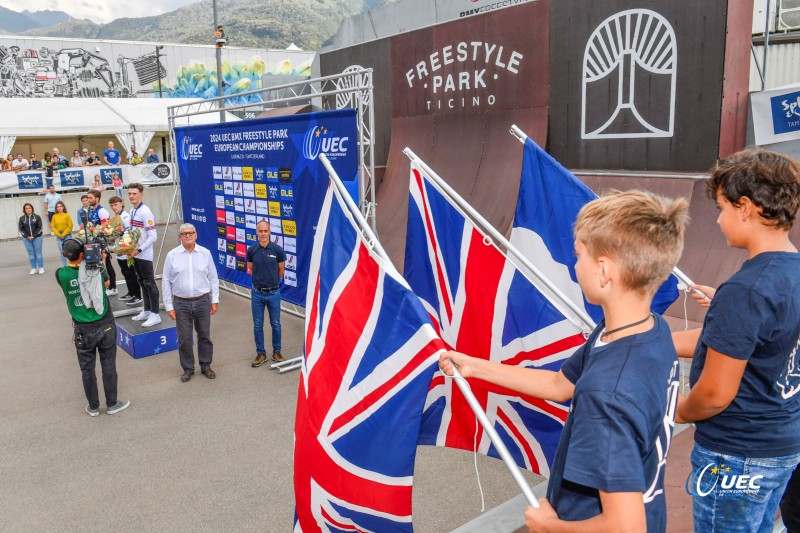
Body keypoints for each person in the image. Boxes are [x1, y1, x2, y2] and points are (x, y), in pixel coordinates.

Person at [440, 191, 689, 532]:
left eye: (579, 256)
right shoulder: (644, 330)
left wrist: (551, 526)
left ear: (604, 270)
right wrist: (474, 366)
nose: (575, 266)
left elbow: (627, 527)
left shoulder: (608, 394)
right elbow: (559, 385)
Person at [672, 149, 800, 533]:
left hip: (736, 454)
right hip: (781, 445)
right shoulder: (786, 275)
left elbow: (713, 394)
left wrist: (673, 411)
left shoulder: (747, 290)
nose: (719, 219)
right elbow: (764, 343)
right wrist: (657, 338)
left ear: (746, 207)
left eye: (723, 207)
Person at [56, 239, 130, 417]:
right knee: (108, 365)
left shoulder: (60, 273)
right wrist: (101, 260)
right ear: (83, 254)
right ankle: (112, 403)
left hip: (82, 329)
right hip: (104, 323)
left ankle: (93, 406)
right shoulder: (96, 268)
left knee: (87, 369)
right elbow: (106, 283)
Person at [162, 223, 220, 382]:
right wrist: (168, 306)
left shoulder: (205, 253)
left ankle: (206, 365)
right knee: (184, 338)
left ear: (196, 235)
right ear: (179, 237)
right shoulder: (172, 255)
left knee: (204, 335)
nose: (187, 236)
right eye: (184, 234)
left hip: (202, 301)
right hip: (181, 303)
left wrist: (214, 300)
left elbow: (213, 279)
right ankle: (188, 368)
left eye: (190, 233)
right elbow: (166, 281)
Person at [248, 220, 286, 367]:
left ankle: (277, 352)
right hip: (257, 293)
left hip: (274, 293)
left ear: (270, 232)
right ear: (257, 232)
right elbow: (251, 269)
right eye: (260, 231)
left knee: (276, 324)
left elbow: (281, 270)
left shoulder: (277, 250)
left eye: (265, 231)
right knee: (258, 325)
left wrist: (272, 282)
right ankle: (261, 354)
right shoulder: (252, 250)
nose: (263, 234)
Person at [128, 182, 161, 327]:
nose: (131, 196)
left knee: (149, 283)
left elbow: (153, 236)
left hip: (144, 255)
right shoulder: (132, 211)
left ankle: (155, 314)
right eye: (129, 194)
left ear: (141, 194)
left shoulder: (145, 211)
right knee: (141, 281)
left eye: (134, 194)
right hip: (135, 254)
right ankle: (147, 310)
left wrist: (139, 249)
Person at [108, 196, 142, 305]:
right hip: (119, 250)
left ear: (121, 204)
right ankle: (130, 292)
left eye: (115, 204)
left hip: (126, 250)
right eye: (112, 205)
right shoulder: (117, 217)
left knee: (131, 273)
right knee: (125, 273)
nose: (114, 207)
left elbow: (129, 234)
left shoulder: (126, 217)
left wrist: (120, 234)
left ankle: (137, 295)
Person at [86, 190, 117, 296]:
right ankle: (105, 284)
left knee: (107, 264)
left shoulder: (102, 211)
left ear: (97, 198)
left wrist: (94, 228)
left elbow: (105, 228)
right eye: (88, 198)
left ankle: (113, 287)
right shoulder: (91, 210)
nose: (88, 200)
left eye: (90, 198)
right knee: (99, 265)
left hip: (102, 242)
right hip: (95, 241)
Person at [18, 203, 44, 275]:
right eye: (26, 208)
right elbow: (20, 229)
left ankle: (41, 267)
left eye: (29, 208)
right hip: (27, 239)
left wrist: (34, 236)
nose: (28, 210)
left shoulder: (37, 217)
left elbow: (40, 227)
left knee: (38, 253)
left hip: (37, 238)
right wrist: (27, 236)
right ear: (24, 210)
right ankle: (33, 268)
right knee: (31, 254)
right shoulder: (22, 218)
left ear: (32, 209)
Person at [50, 201, 73, 267]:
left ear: (63, 207)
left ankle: (71, 265)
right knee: (62, 252)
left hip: (67, 235)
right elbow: (53, 226)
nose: (59, 208)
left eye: (60, 206)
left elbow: (70, 226)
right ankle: (64, 266)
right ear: (56, 208)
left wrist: (64, 234)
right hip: (59, 237)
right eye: (57, 207)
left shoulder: (67, 215)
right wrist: (58, 234)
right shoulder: (54, 216)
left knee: (69, 251)